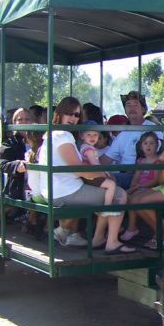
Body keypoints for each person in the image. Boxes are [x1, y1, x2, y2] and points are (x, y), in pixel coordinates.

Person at [38, 97, 134, 255]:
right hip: (65, 191)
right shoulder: (62, 135)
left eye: (76, 115)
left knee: (108, 190)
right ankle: (111, 242)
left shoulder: (54, 134)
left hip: (58, 189)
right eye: (68, 113)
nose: (73, 118)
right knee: (119, 194)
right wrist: (103, 173)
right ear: (59, 113)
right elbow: (77, 169)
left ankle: (98, 238)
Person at [100, 91, 161, 189]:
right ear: (125, 110)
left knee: (108, 181)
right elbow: (106, 159)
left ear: (143, 109)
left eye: (136, 105)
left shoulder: (154, 130)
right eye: (128, 105)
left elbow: (156, 158)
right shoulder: (123, 134)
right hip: (124, 174)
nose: (132, 108)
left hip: (143, 175)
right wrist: (90, 167)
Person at [121, 131, 162, 243]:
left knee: (133, 198)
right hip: (138, 188)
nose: (148, 146)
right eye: (145, 143)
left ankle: (131, 227)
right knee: (124, 196)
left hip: (151, 189)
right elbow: (136, 177)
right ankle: (125, 227)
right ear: (141, 146)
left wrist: (137, 187)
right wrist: (132, 187)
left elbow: (155, 180)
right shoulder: (140, 161)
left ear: (157, 145)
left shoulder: (158, 162)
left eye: (152, 143)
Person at [77, 120, 117, 211]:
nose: (92, 137)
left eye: (95, 134)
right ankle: (107, 208)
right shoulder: (88, 149)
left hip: (89, 176)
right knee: (111, 185)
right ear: (82, 136)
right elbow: (94, 163)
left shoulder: (86, 147)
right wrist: (104, 171)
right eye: (89, 135)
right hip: (91, 176)